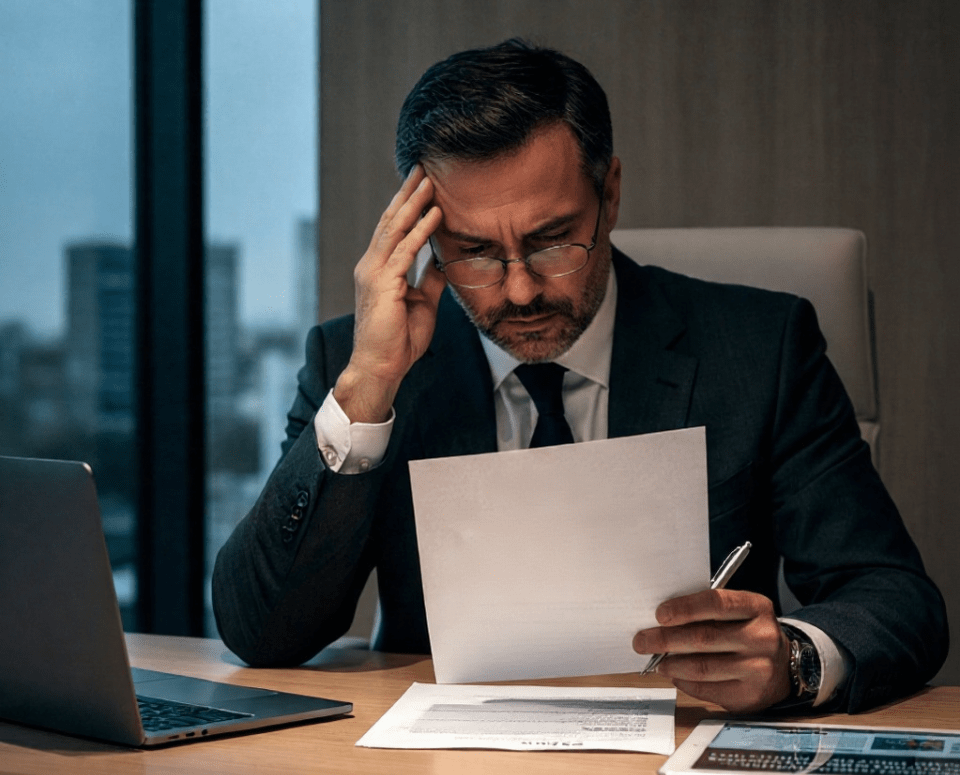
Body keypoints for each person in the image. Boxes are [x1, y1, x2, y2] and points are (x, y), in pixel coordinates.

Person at [213, 38, 947, 714]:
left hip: (680, 767)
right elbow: (261, 631)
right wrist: (370, 385)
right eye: (472, 252)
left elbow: (895, 598)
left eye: (553, 240)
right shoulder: (362, 365)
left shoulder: (761, 348)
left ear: (612, 194)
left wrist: (792, 656)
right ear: (424, 239)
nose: (522, 290)